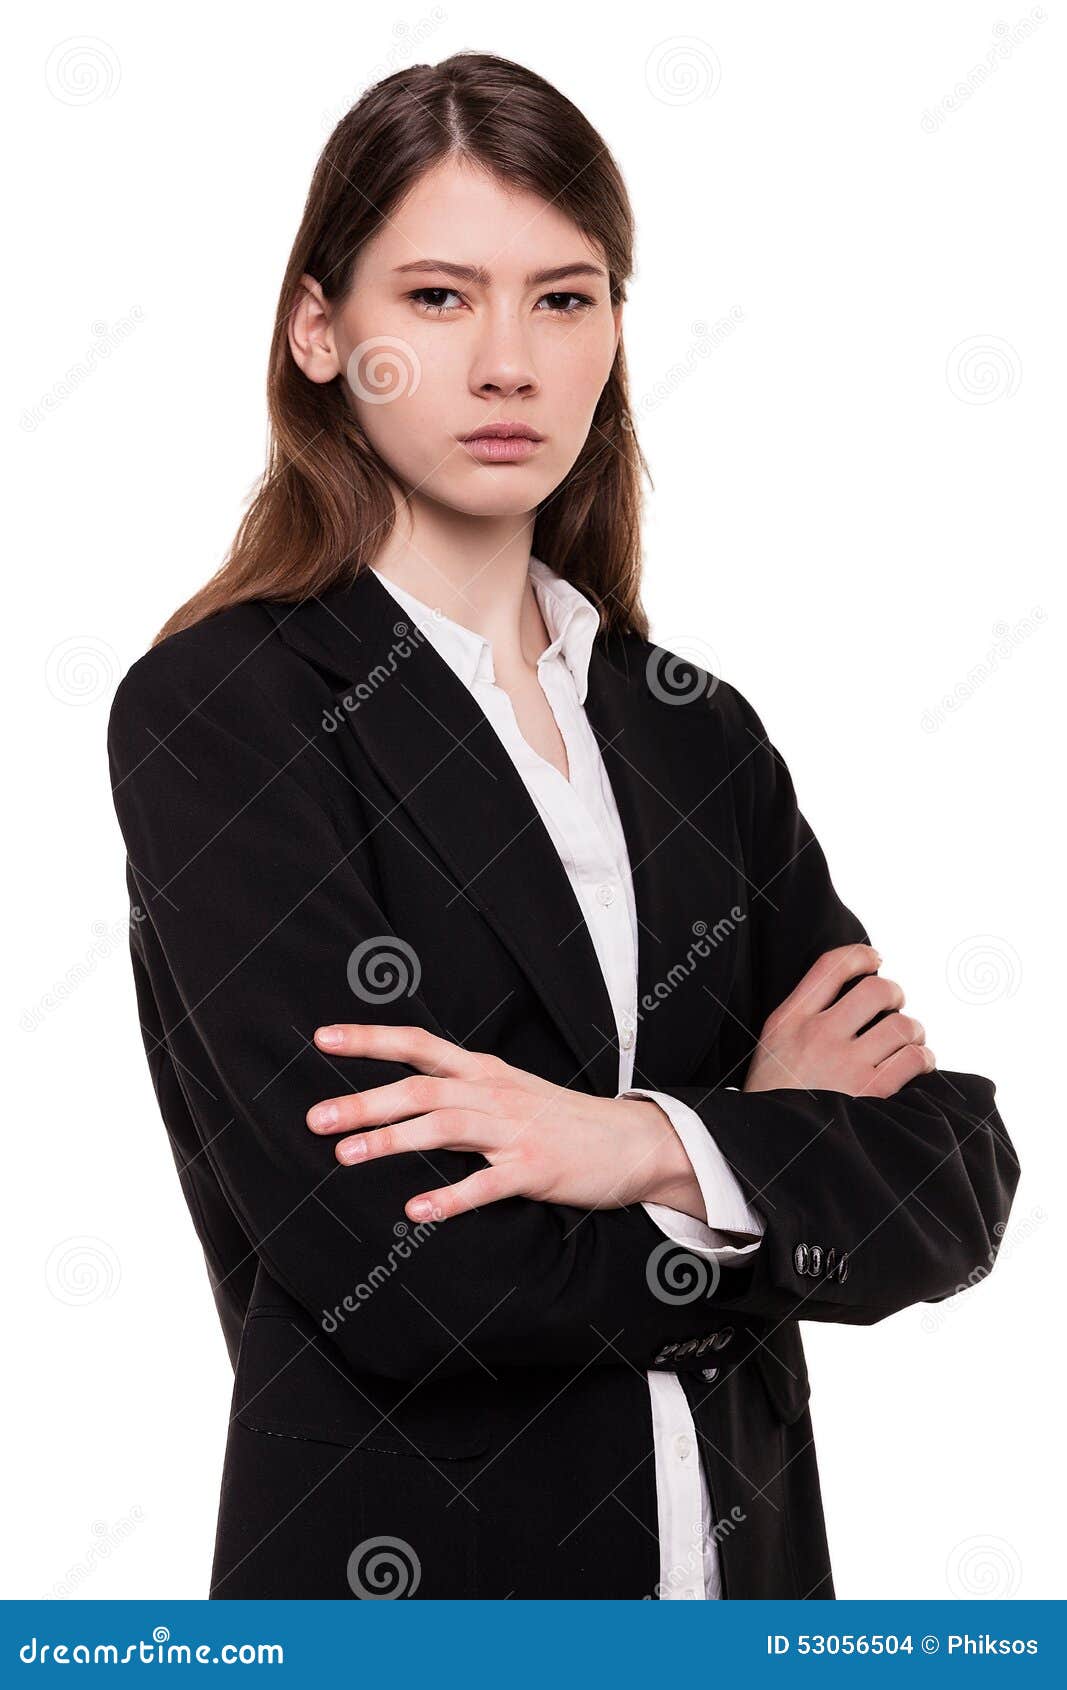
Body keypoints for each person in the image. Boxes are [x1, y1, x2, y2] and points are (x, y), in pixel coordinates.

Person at [106, 51, 1020, 1600]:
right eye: (442, 298)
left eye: (567, 297)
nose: (511, 362)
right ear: (321, 332)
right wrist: (756, 1166)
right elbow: (405, 1275)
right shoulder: (229, 708)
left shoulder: (691, 728)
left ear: (613, 333)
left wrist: (625, 1142)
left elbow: (946, 1175)